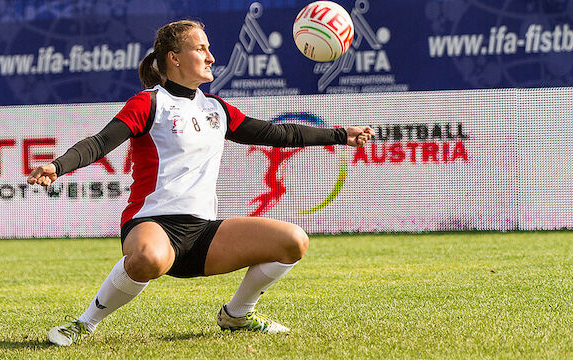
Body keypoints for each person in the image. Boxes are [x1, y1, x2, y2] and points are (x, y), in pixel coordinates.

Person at [27, 20, 375, 346]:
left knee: (293, 242)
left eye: (208, 49)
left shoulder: (216, 109)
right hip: (151, 224)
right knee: (147, 257)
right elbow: (101, 142)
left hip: (203, 233)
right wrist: (59, 166)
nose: (210, 57)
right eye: (201, 49)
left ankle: (238, 315)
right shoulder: (150, 102)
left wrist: (341, 134)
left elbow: (278, 133)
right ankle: (84, 323)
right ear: (174, 58)